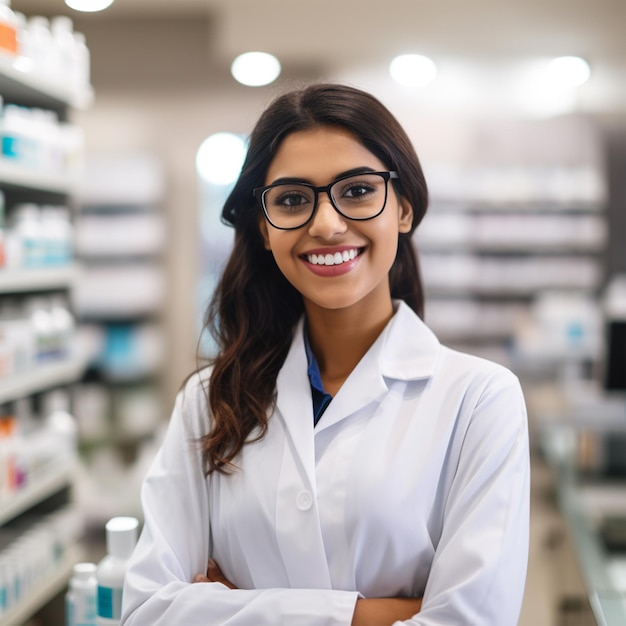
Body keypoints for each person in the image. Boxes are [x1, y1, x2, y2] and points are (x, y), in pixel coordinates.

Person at [121, 83, 530, 626]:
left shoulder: (480, 401)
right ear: (265, 229)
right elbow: (148, 611)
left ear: (403, 208)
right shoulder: (210, 400)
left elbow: (473, 621)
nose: (327, 224)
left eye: (357, 190)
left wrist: (235, 605)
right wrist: (384, 613)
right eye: (292, 199)